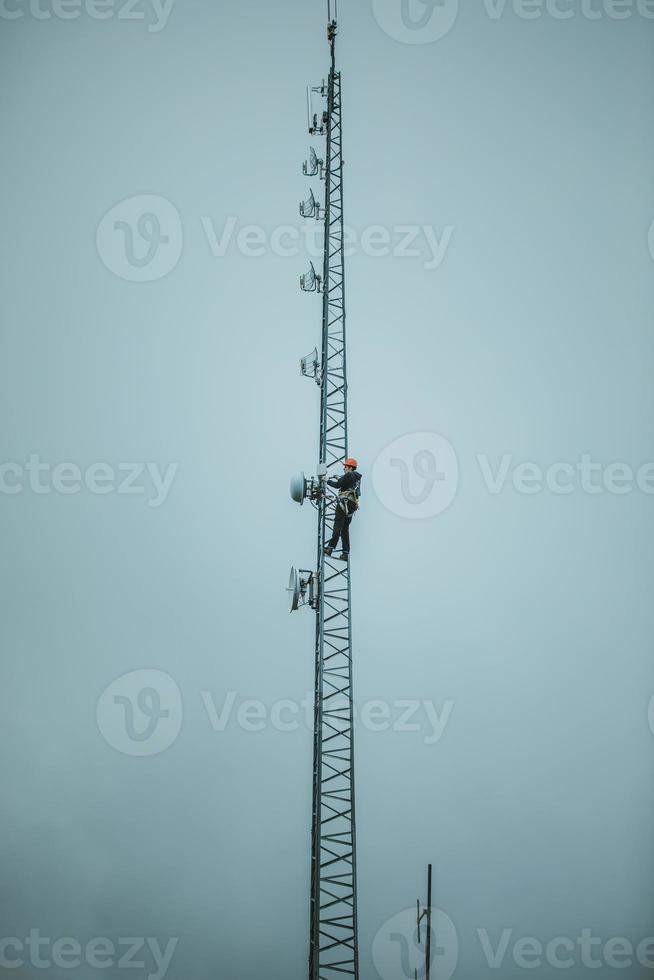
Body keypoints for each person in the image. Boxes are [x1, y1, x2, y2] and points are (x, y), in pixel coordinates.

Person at [324, 457, 361, 561]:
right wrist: (339, 478)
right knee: (344, 529)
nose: (343, 469)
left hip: (344, 504)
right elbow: (345, 483)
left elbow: (337, 485)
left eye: (345, 467)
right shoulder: (356, 478)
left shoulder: (349, 475)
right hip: (352, 506)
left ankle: (330, 548)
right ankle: (345, 553)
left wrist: (327, 481)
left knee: (338, 525)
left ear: (350, 468)